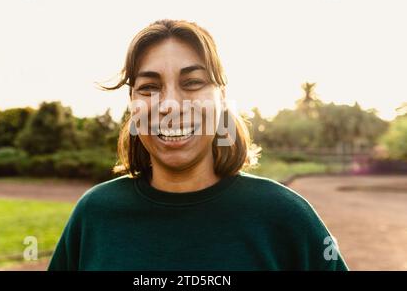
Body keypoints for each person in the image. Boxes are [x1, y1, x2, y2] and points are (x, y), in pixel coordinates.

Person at [48, 19, 349, 271]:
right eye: (149, 88)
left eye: (192, 83)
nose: (170, 105)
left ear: (221, 96)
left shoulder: (285, 216)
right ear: (133, 104)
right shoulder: (95, 215)